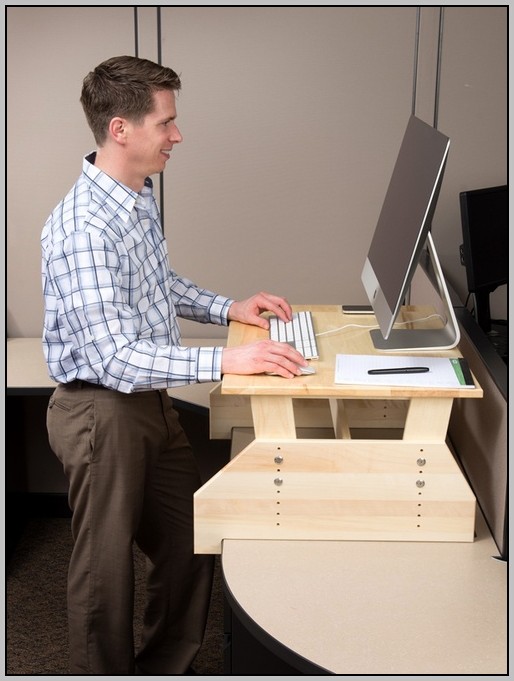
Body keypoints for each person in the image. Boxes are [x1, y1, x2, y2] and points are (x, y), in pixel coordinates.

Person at [41, 55, 308, 675]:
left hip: (148, 402)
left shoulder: (133, 198)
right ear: (121, 130)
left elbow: (157, 284)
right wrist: (230, 358)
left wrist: (229, 308)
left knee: (193, 537)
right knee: (103, 577)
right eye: (167, 123)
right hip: (100, 411)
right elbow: (113, 356)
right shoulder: (84, 226)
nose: (177, 135)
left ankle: (166, 667)